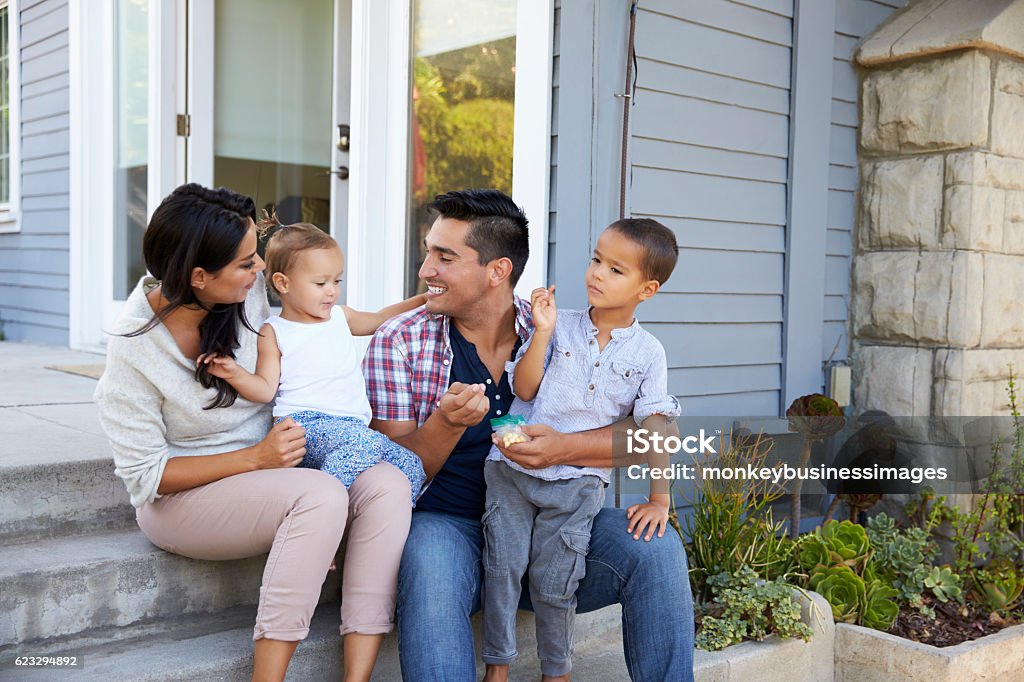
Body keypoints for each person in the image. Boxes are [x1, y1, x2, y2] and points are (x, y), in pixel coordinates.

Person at [364, 189, 696, 682]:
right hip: (450, 527)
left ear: (497, 271)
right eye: (428, 251)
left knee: (656, 547)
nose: (425, 269)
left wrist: (568, 448)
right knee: (430, 568)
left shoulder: (555, 327)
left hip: (551, 523)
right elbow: (390, 475)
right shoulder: (400, 341)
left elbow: (655, 432)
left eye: (444, 256)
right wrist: (446, 424)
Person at [93, 184, 412, 682]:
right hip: (188, 498)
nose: (260, 270)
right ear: (199, 276)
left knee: (388, 483)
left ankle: (358, 677)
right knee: (322, 495)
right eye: (246, 264)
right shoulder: (134, 349)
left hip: (280, 467)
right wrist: (255, 459)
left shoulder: (250, 294)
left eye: (257, 257)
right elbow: (147, 476)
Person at [481, 218, 682, 681]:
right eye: (596, 260)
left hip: (576, 487)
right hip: (512, 471)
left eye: (616, 270)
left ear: (646, 289)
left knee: (556, 584)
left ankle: (557, 672)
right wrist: (544, 332)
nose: (597, 273)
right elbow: (525, 390)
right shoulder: (561, 325)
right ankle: (497, 668)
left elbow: (655, 424)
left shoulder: (649, 354)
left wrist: (659, 497)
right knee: (502, 569)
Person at [198, 214, 427, 504]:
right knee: (362, 443)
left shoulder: (341, 318)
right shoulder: (275, 331)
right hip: (305, 427)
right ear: (283, 283)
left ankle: (368, 517)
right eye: (320, 283)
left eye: (337, 280)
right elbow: (265, 389)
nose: (332, 290)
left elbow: (381, 318)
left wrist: (423, 301)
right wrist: (233, 373)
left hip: (350, 428)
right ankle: (321, 506)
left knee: (412, 466)